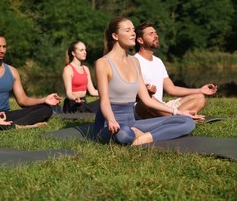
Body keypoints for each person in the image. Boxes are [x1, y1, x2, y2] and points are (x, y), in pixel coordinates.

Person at [94, 16, 197, 146]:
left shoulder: (134, 61)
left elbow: (147, 100)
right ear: (115, 36)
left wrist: (177, 112)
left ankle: (143, 138)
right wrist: (111, 120)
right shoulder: (103, 63)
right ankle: (136, 135)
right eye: (127, 30)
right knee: (124, 134)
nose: (133, 33)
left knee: (186, 122)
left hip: (131, 122)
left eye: (133, 30)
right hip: (109, 125)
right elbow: (104, 102)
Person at [0, 32, 61, 129]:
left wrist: (44, 100)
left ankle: (11, 125)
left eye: (4, 47)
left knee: (46, 109)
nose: (2, 50)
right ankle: (17, 125)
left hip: (5, 115)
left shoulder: (12, 71)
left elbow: (23, 100)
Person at [134, 21, 217, 119]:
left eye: (155, 33)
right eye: (150, 34)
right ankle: (177, 118)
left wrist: (200, 90)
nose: (156, 36)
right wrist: (146, 92)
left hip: (162, 108)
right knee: (148, 100)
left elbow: (172, 89)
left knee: (199, 97)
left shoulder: (158, 62)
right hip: (144, 108)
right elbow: (128, 93)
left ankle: (174, 118)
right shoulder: (134, 61)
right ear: (140, 40)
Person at [62, 41, 99, 113]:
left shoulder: (85, 69)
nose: (85, 52)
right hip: (72, 103)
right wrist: (75, 98)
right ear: (73, 53)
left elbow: (92, 91)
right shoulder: (68, 69)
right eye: (81, 50)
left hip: (83, 103)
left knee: (106, 102)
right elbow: (69, 93)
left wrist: (108, 93)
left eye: (85, 50)